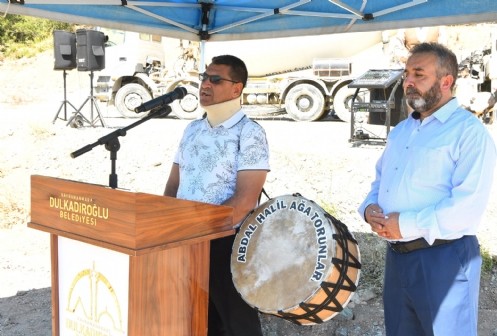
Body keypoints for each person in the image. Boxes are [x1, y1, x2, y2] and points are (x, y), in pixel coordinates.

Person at [358, 42, 496, 336]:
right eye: (407, 73)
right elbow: (381, 180)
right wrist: (370, 208)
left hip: (443, 258)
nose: (408, 81)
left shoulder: (468, 133)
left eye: (419, 74)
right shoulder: (403, 130)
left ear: (446, 81)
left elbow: (467, 208)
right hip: (398, 257)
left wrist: (403, 223)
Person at [164, 54, 269, 336]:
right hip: (185, 240)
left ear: (237, 89)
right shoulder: (192, 129)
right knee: (197, 321)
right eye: (204, 78)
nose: (205, 85)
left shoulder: (249, 133)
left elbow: (246, 200)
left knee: (236, 324)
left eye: (215, 79)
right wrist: (166, 226)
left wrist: (201, 231)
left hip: (227, 244)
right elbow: (173, 185)